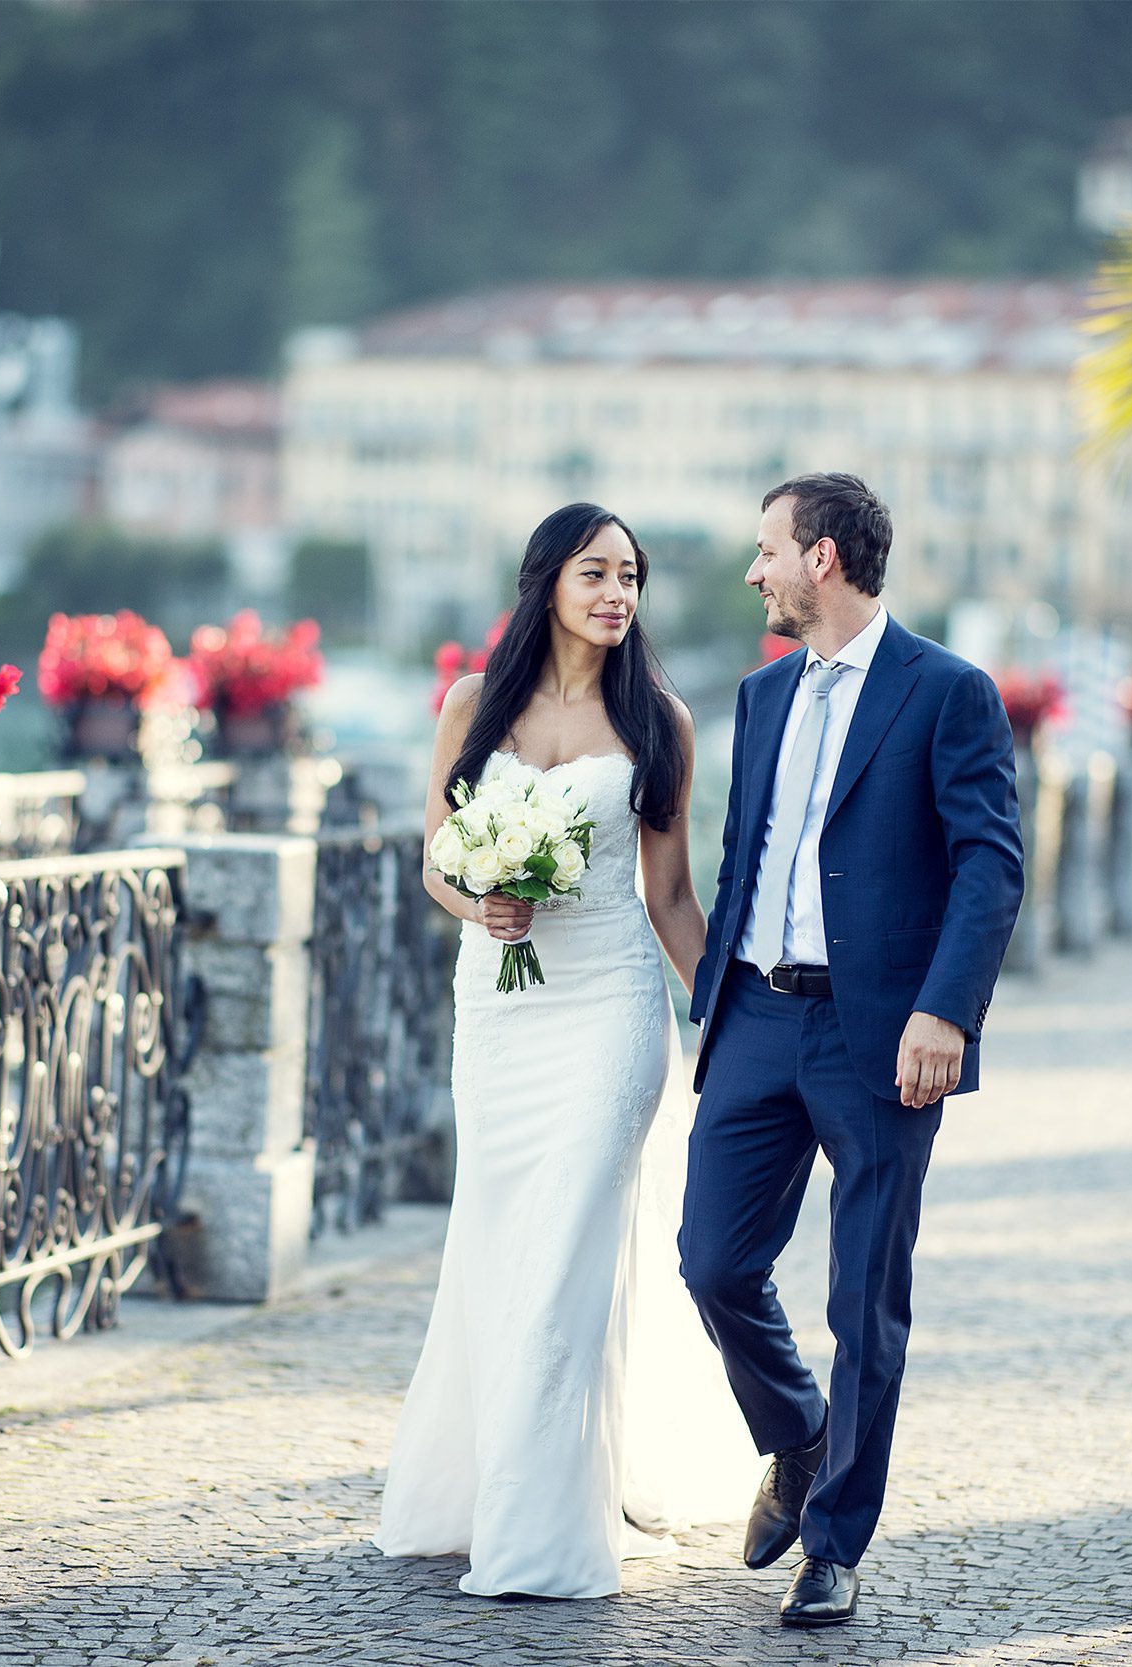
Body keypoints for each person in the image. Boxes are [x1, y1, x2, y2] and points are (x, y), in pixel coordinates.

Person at [373, 502, 757, 1599]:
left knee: (565, 1262)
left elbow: (671, 897)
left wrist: (732, 1019)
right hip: (499, 1016)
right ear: (546, 580)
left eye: (630, 576)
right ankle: (484, 1487)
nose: (616, 593)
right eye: (596, 572)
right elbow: (437, 857)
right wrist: (479, 902)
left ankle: (542, 1532)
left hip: (609, 1011)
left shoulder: (660, 723)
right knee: (499, 1243)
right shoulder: (471, 705)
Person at [681, 472, 1024, 1628]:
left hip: (881, 1035)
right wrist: (714, 990)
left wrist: (946, 1011)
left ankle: (833, 1543)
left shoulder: (948, 691)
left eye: (767, 549)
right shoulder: (762, 694)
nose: (754, 571)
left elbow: (989, 863)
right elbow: (745, 851)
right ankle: (799, 1430)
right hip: (755, 1017)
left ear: (821, 557)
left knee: (865, 1297)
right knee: (712, 1261)